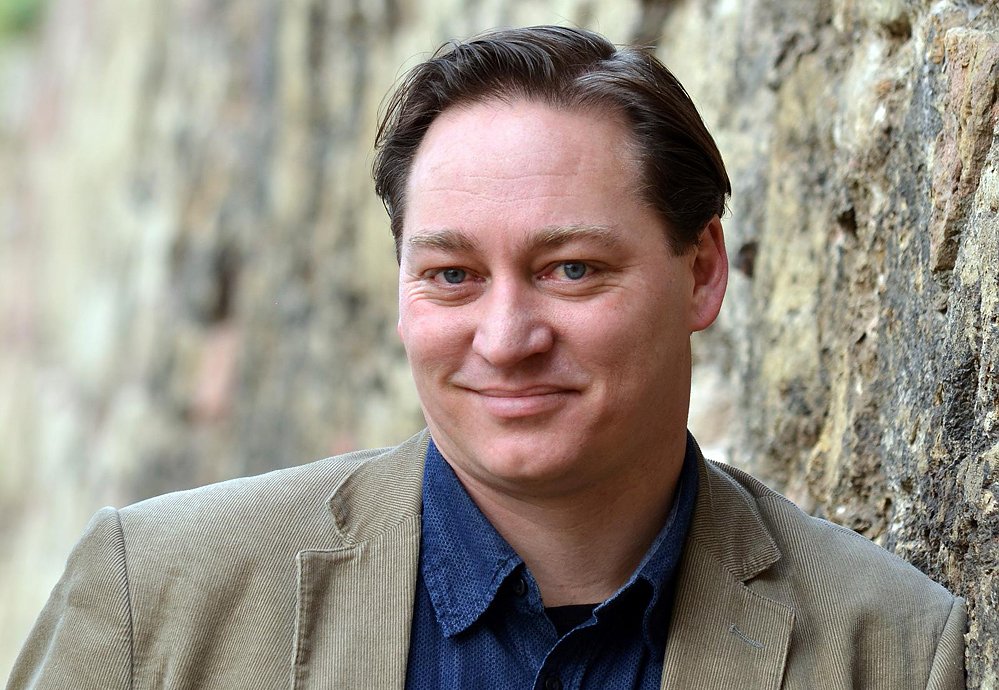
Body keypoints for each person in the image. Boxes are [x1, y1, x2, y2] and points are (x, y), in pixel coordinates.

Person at [7, 25, 965, 690]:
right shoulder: (156, 596)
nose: (505, 339)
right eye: (453, 276)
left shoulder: (887, 649)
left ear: (701, 273)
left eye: (571, 269)